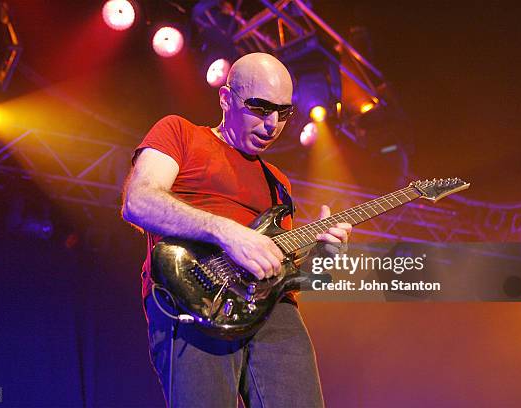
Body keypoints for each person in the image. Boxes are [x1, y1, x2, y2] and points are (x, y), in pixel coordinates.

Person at [122, 52, 352, 408]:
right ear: (226, 98)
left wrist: (324, 257)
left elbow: (288, 276)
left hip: (274, 313)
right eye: (260, 108)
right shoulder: (179, 132)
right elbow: (139, 201)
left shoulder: (278, 182)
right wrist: (226, 232)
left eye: (284, 112)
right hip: (195, 296)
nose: (272, 124)